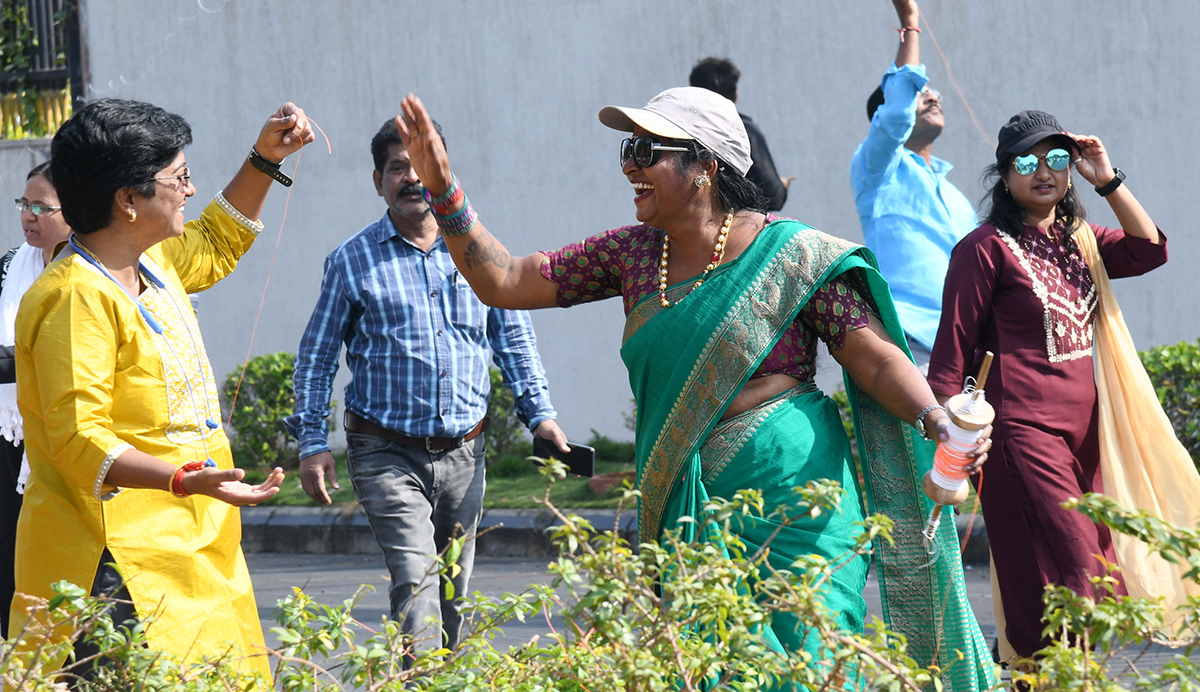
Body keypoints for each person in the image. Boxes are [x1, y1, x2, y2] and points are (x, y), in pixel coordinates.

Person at [392, 87, 998, 689]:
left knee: (810, 662)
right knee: (706, 666)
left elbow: (874, 361)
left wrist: (936, 420)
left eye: (647, 149)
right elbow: (503, 280)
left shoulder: (792, 255)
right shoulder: (631, 256)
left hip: (799, 501)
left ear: (705, 164)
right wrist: (445, 189)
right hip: (688, 504)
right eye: (628, 147)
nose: (629, 163)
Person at [9, 98, 314, 679]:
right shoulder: (75, 297)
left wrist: (264, 159)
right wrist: (180, 478)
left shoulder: (153, 263)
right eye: (178, 178)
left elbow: (217, 240)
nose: (191, 190)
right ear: (128, 200)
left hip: (192, 542)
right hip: (114, 563)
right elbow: (79, 440)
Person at [284, 119, 567, 656]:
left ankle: (440, 677)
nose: (410, 178)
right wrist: (313, 443)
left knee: (454, 598)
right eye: (397, 168)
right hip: (385, 452)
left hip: (466, 453)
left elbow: (515, 339)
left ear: (441, 174)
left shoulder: (478, 252)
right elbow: (316, 356)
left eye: (420, 166)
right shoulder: (352, 260)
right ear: (378, 181)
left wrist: (541, 415)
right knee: (417, 587)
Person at [927, 110, 1168, 661]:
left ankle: (1032, 668)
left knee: (1098, 575)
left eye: (1057, 160)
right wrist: (947, 433)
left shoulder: (1080, 241)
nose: (1045, 172)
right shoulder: (984, 248)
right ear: (1004, 174)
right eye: (1027, 162)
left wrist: (1106, 178)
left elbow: (1150, 248)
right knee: (1068, 569)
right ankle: (1042, 673)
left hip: (1086, 439)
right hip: (1020, 436)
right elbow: (950, 352)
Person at [850, 0, 976, 369]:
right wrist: (910, 23)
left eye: (932, 91)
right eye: (922, 91)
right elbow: (897, 113)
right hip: (913, 347)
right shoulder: (875, 171)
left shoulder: (958, 198)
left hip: (971, 349)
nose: (933, 95)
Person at [0, 162, 72, 634]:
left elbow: (51, 353)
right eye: (24, 205)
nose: (28, 215)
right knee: (11, 550)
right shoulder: (10, 266)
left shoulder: (88, 273)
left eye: (41, 207)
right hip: (11, 432)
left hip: (65, 436)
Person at [689, 57, 790, 211]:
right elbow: (773, 196)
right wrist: (782, 186)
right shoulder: (744, 131)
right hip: (736, 227)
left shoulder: (684, 130)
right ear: (735, 95)